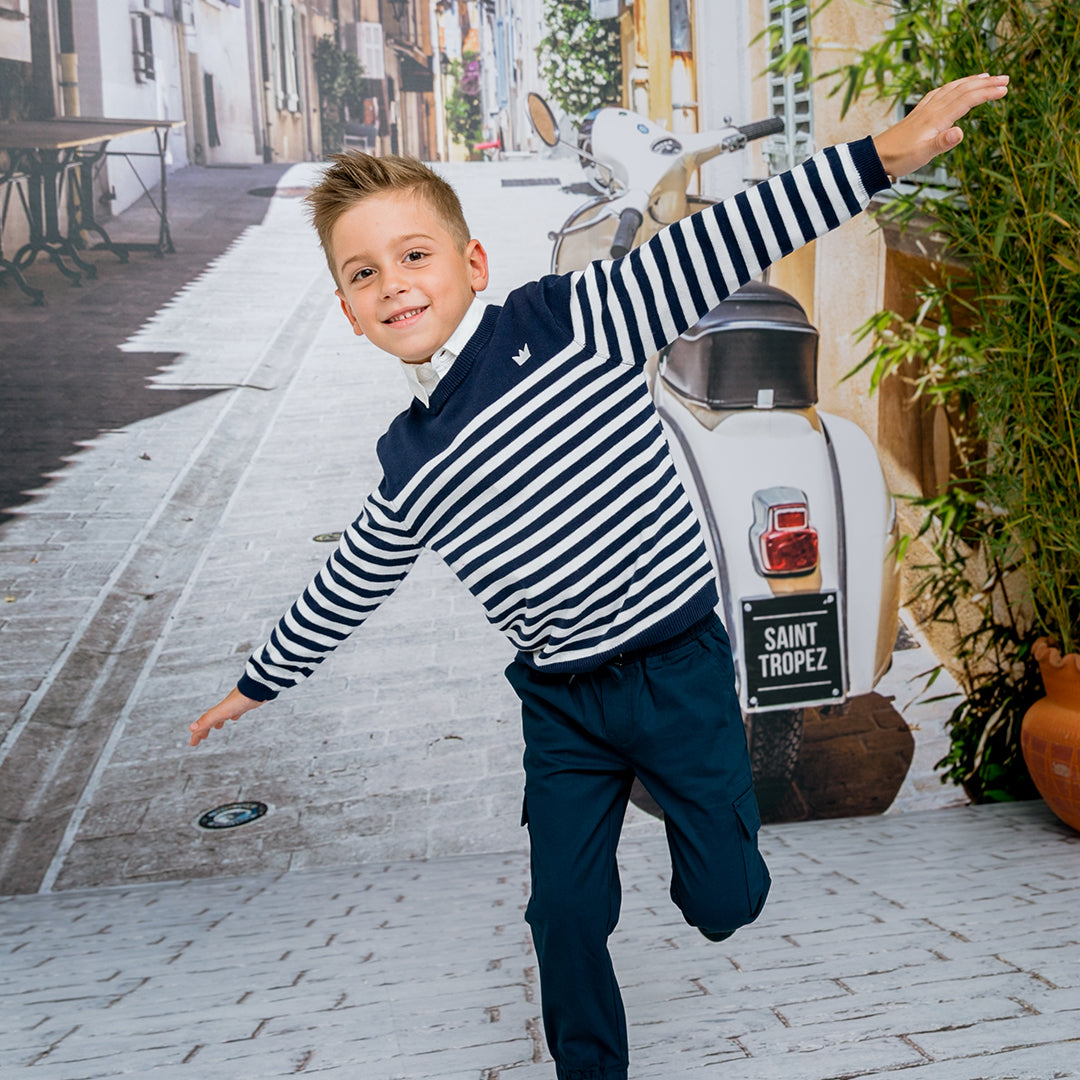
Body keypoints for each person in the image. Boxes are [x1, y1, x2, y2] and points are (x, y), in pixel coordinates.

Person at [190, 74, 1009, 1080]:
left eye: (413, 255)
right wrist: (259, 678)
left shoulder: (573, 318)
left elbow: (728, 236)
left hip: (674, 669)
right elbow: (353, 577)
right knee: (562, 913)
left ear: (472, 260)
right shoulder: (408, 458)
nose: (393, 284)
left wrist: (887, 155)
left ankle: (717, 860)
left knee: (724, 905)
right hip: (563, 705)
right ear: (350, 312)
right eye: (363, 274)